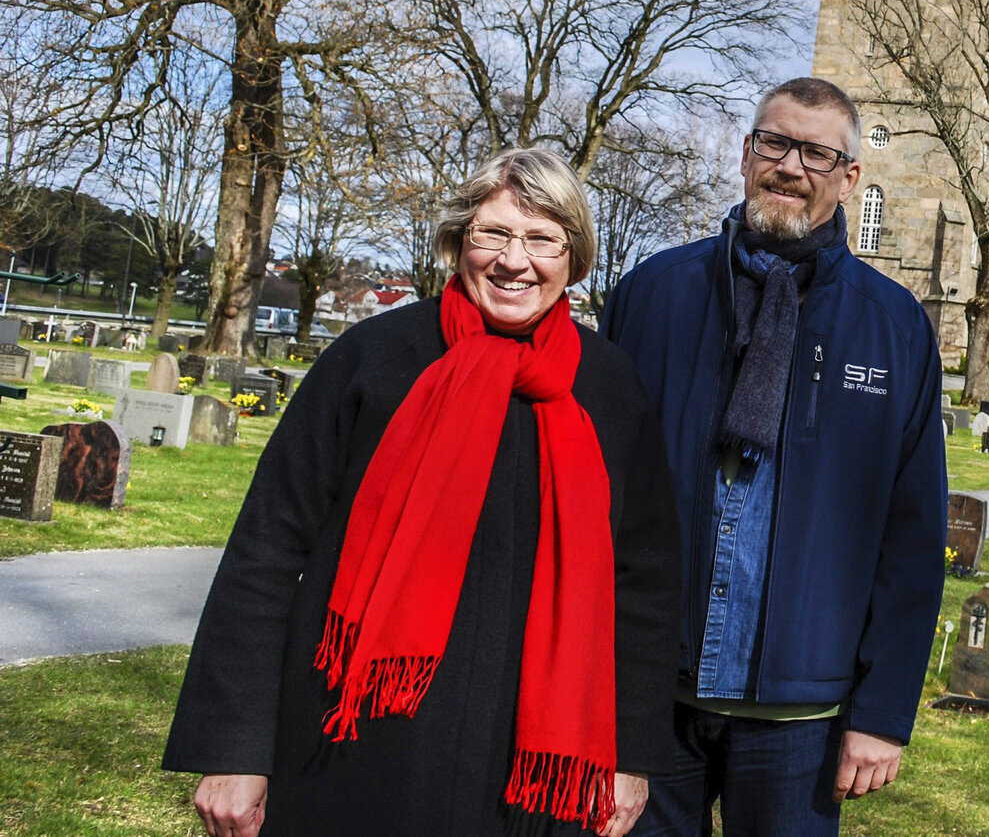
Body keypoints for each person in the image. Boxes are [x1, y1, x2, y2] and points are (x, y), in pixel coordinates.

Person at [164, 148, 681, 837]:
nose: (513, 260)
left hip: (532, 765)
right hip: (352, 741)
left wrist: (630, 754)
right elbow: (266, 549)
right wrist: (233, 747)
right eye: (492, 232)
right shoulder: (372, 359)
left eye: (540, 239)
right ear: (457, 241)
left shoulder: (611, 390)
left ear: (575, 258)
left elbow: (644, 584)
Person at [604, 76, 946, 836]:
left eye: (817, 152)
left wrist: (884, 711)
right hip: (651, 695)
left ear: (850, 176)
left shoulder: (894, 327)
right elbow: (596, 493)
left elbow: (913, 536)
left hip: (803, 714)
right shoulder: (654, 294)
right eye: (774, 142)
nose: (790, 165)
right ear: (747, 151)